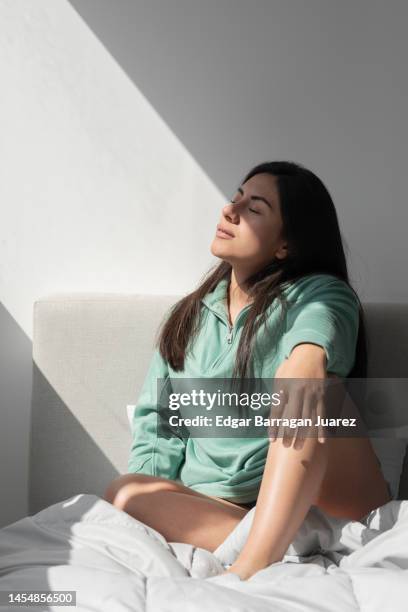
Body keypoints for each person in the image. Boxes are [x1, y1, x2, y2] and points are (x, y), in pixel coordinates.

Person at [103, 160, 391, 580]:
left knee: (321, 394)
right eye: (235, 198)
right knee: (125, 491)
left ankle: (251, 567)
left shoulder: (319, 293)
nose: (229, 210)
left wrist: (309, 354)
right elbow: (159, 427)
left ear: (285, 246)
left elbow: (326, 318)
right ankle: (290, 540)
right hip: (230, 508)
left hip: (333, 497)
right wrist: (147, 513)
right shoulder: (187, 318)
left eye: (254, 208)